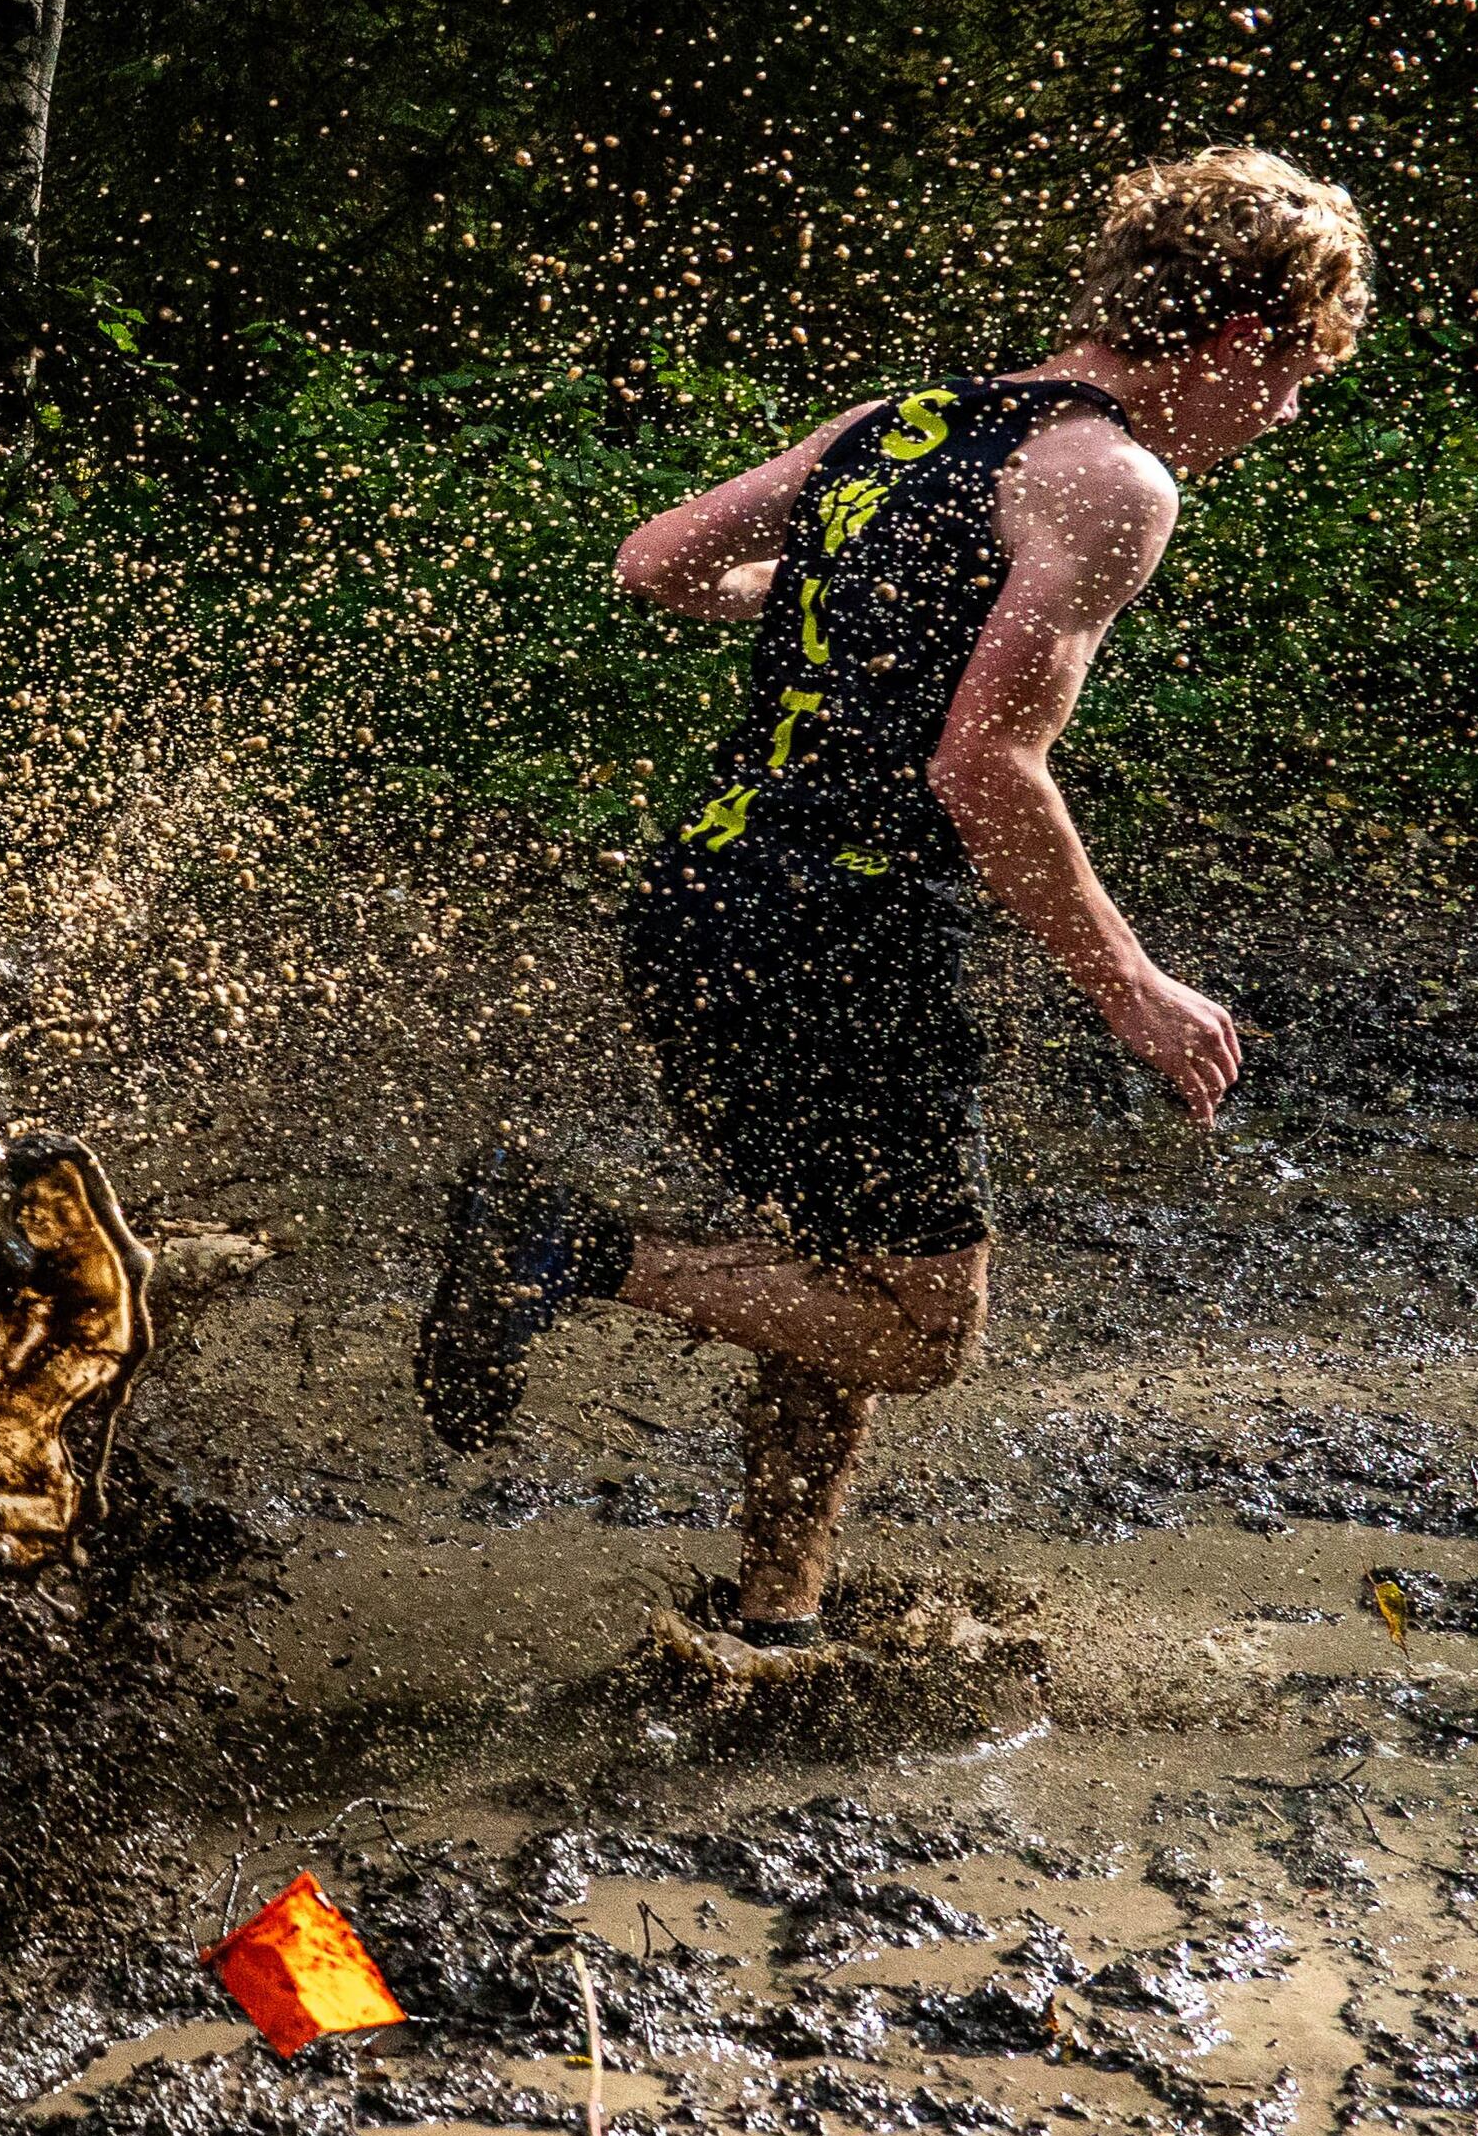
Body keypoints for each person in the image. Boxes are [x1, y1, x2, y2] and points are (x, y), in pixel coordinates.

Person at [413, 146, 1375, 1650]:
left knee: (843, 1264)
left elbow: (659, 562)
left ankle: (777, 1605)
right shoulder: (1113, 477)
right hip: (837, 929)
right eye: (1303, 372)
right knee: (925, 1330)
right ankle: (567, 1247)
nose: (1295, 410)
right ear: (1248, 340)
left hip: (700, 898)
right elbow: (984, 767)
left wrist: (801, 603)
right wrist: (1132, 987)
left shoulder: (902, 422)